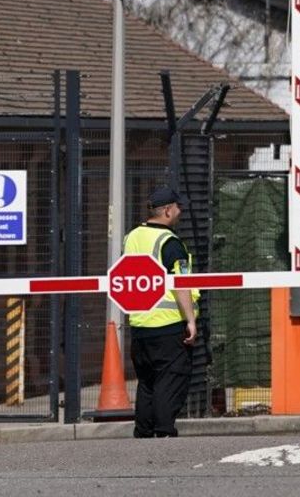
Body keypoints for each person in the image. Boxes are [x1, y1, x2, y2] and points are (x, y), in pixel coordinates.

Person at [125, 185, 199, 438]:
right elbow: (181, 285)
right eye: (178, 207)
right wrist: (190, 320)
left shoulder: (132, 237)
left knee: (147, 383)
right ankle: (164, 431)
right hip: (167, 326)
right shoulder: (170, 243)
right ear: (167, 211)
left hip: (139, 324)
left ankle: (143, 432)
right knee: (171, 380)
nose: (181, 212)